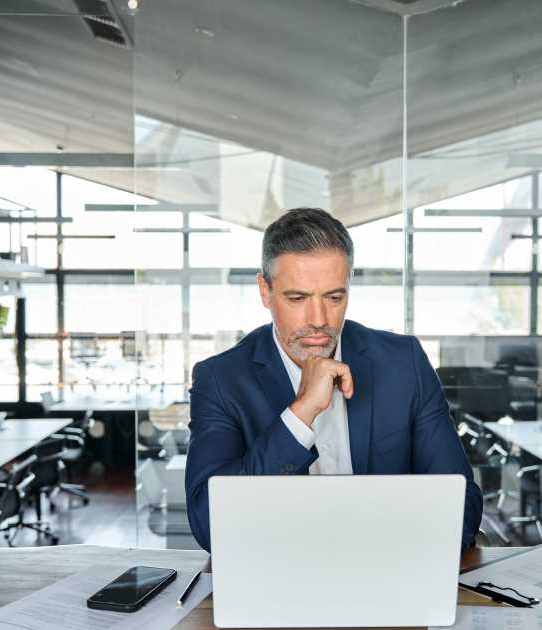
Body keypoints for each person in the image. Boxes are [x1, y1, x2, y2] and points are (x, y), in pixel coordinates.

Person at [184, 207, 483, 551]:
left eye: (334, 297)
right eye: (297, 298)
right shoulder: (221, 380)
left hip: (390, 574)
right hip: (278, 582)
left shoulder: (404, 363)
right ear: (265, 291)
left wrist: (372, 555)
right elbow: (210, 525)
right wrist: (299, 415)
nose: (319, 319)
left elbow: (462, 507)